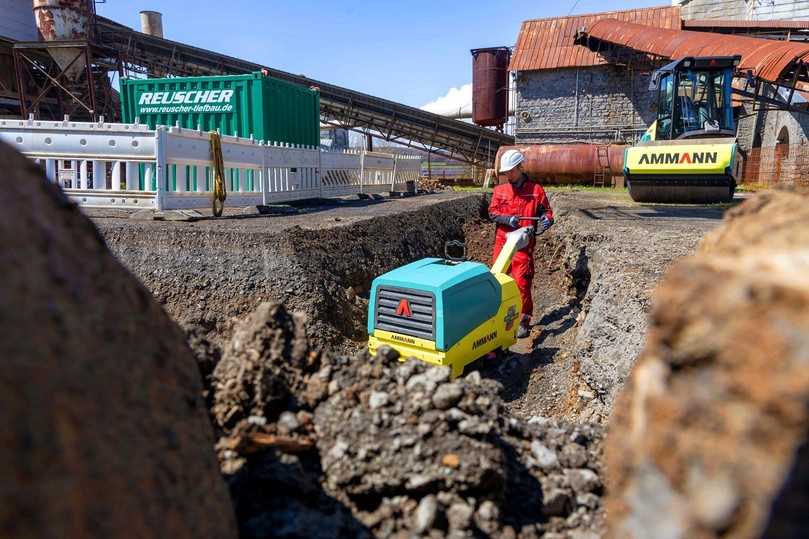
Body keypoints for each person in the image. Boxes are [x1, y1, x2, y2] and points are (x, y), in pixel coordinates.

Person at [488, 149, 554, 339]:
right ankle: (498, 316)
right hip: (503, 241)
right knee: (498, 278)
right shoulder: (500, 190)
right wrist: (507, 219)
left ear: (519, 167)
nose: (508, 175)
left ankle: (523, 319)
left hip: (523, 245)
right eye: (506, 172)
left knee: (521, 282)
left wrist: (545, 222)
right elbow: (492, 213)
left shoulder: (535, 191)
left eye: (511, 171)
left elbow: (546, 213)